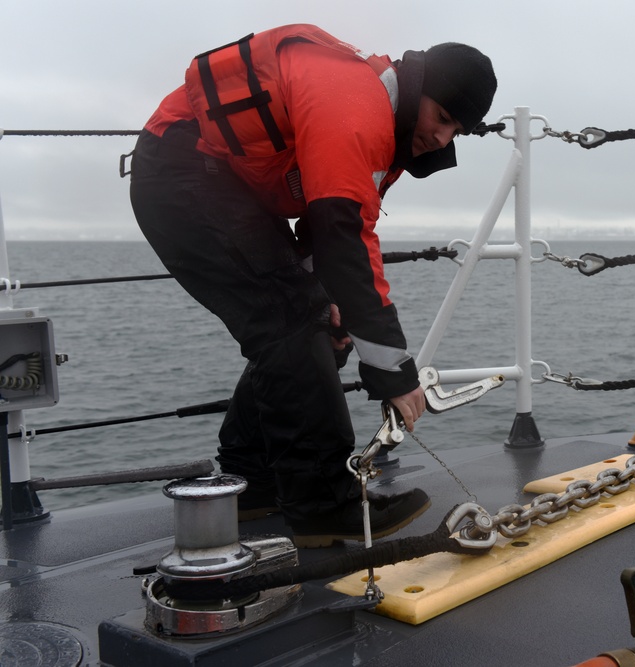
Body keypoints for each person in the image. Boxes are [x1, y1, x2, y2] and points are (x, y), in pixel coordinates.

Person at [129, 25, 497, 548]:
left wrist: (343, 309)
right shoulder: (355, 103)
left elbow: (353, 229)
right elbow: (337, 233)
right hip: (182, 172)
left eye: (455, 131)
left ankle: (254, 484)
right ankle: (325, 505)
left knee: (320, 322)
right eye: (442, 117)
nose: (441, 138)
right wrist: (393, 369)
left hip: (218, 182)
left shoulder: (375, 117)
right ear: (417, 88)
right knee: (292, 319)